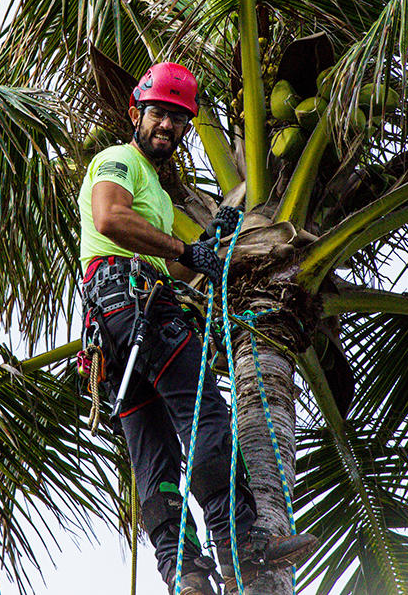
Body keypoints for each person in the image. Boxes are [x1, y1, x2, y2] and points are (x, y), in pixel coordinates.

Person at [78, 62, 319, 595]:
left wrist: (210, 240)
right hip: (139, 309)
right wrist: (189, 249)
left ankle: (185, 573)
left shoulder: (160, 200)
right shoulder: (118, 160)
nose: (168, 126)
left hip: (116, 331)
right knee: (206, 416)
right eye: (160, 113)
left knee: (154, 452)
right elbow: (109, 220)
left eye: (179, 119)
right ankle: (240, 546)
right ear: (138, 112)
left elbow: (174, 266)